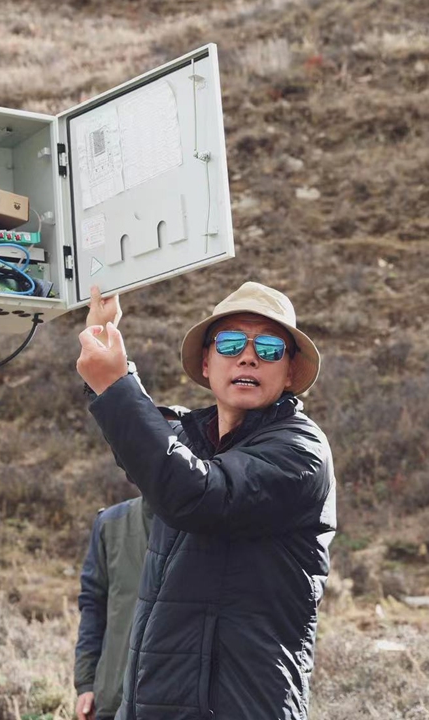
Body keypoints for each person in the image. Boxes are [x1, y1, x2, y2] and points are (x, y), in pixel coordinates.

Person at [75, 281, 336, 720]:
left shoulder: (300, 450)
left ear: (291, 372)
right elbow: (144, 447)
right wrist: (107, 358)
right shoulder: (191, 439)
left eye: (269, 347)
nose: (248, 356)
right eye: (231, 342)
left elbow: (196, 492)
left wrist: (117, 385)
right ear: (206, 361)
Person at [74, 496, 152, 720]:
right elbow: (93, 607)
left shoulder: (207, 522)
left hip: (182, 700)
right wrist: (86, 682)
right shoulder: (111, 523)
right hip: (114, 697)